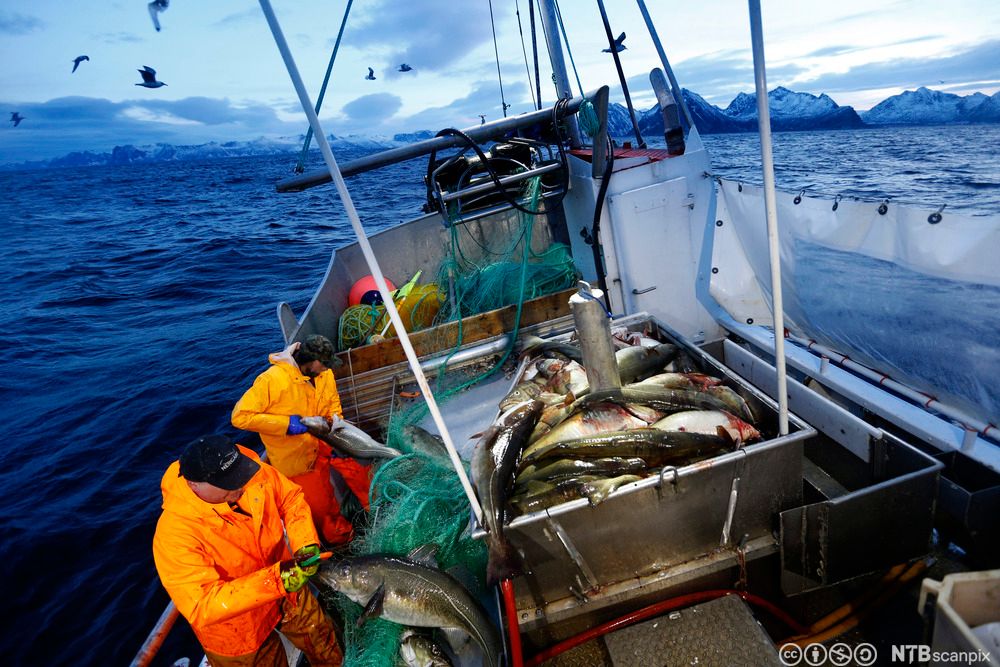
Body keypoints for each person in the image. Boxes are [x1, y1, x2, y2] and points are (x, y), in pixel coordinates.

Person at [152, 435, 343, 667]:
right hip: (239, 629)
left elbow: (290, 498)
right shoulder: (174, 535)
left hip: (288, 585)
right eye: (227, 482)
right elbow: (202, 604)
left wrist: (305, 544)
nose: (240, 484)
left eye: (240, 474)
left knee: (323, 641)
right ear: (194, 485)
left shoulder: (247, 468)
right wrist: (276, 580)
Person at [231, 334, 371, 546]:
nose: (328, 369)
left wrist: (338, 430)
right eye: (324, 364)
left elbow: (333, 402)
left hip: (326, 439)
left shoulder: (325, 374)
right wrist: (286, 425)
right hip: (298, 458)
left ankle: (376, 508)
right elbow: (240, 417)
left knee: (360, 467)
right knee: (322, 507)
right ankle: (343, 541)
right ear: (312, 362)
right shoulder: (272, 380)